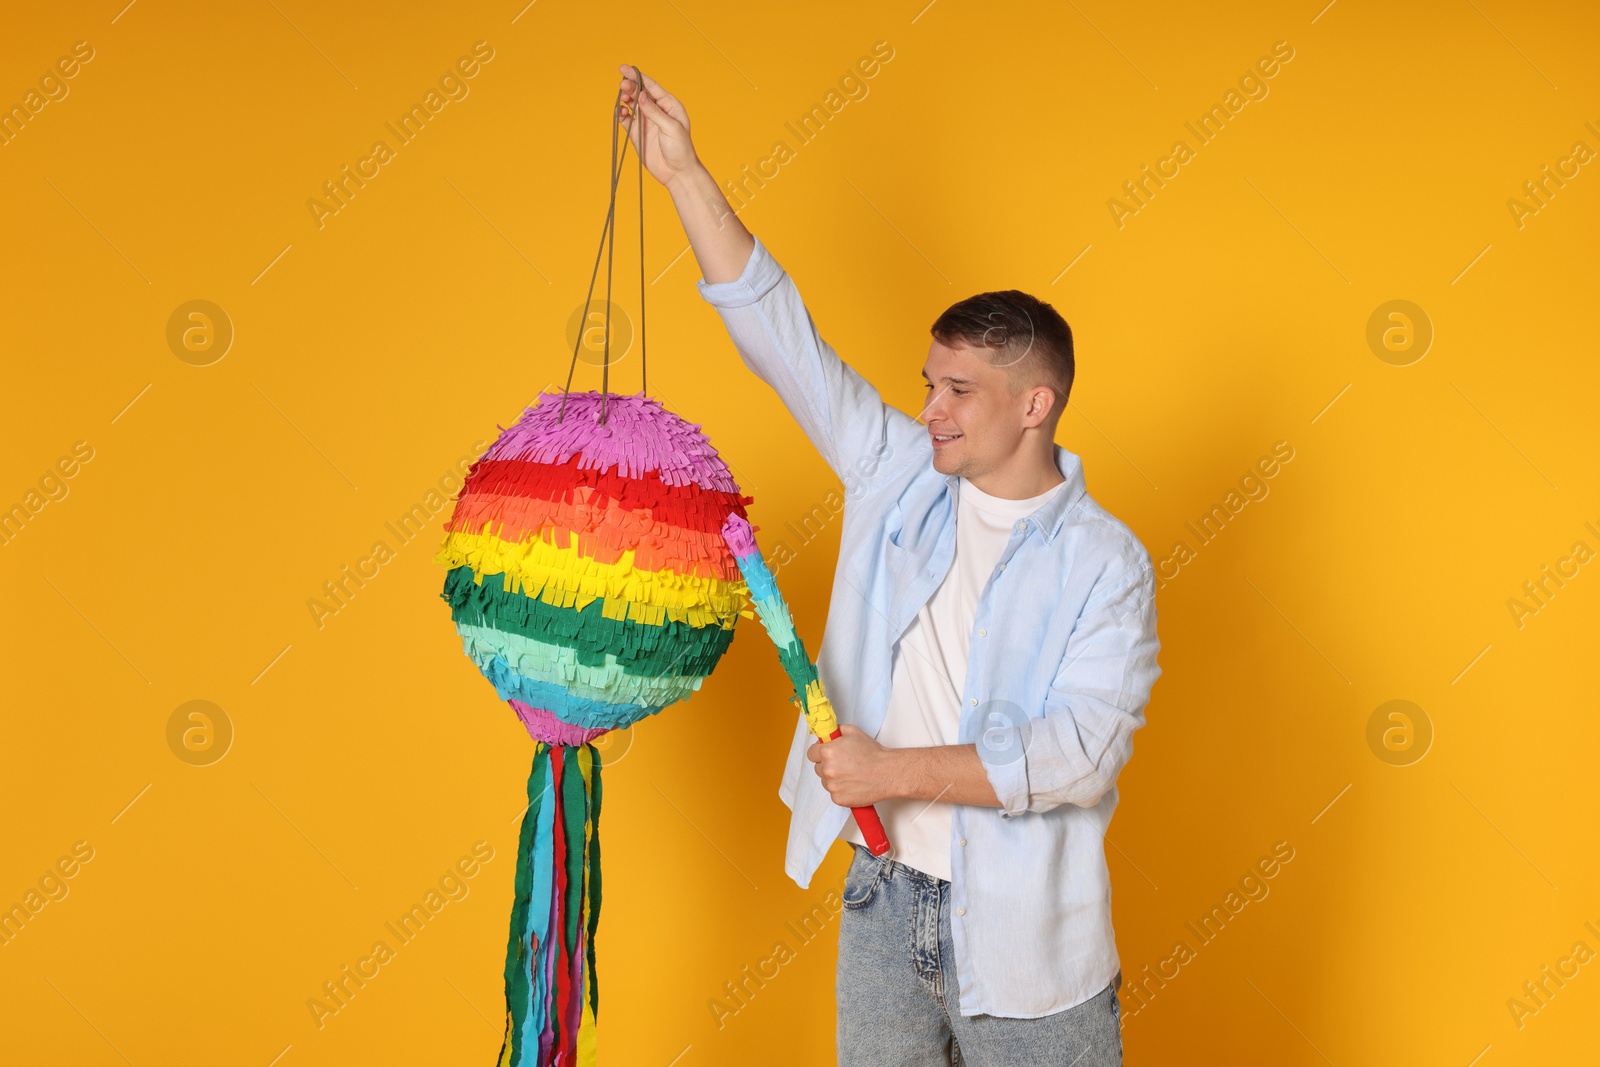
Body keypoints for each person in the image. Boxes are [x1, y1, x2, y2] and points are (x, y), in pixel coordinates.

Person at [618, 65, 1161, 1067]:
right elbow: (780, 337)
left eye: (958, 389)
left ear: (1033, 404)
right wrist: (684, 173)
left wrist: (884, 770)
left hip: (1031, 942)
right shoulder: (893, 472)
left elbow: (1077, 754)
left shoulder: (1106, 561)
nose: (930, 410)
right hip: (881, 899)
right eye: (927, 383)